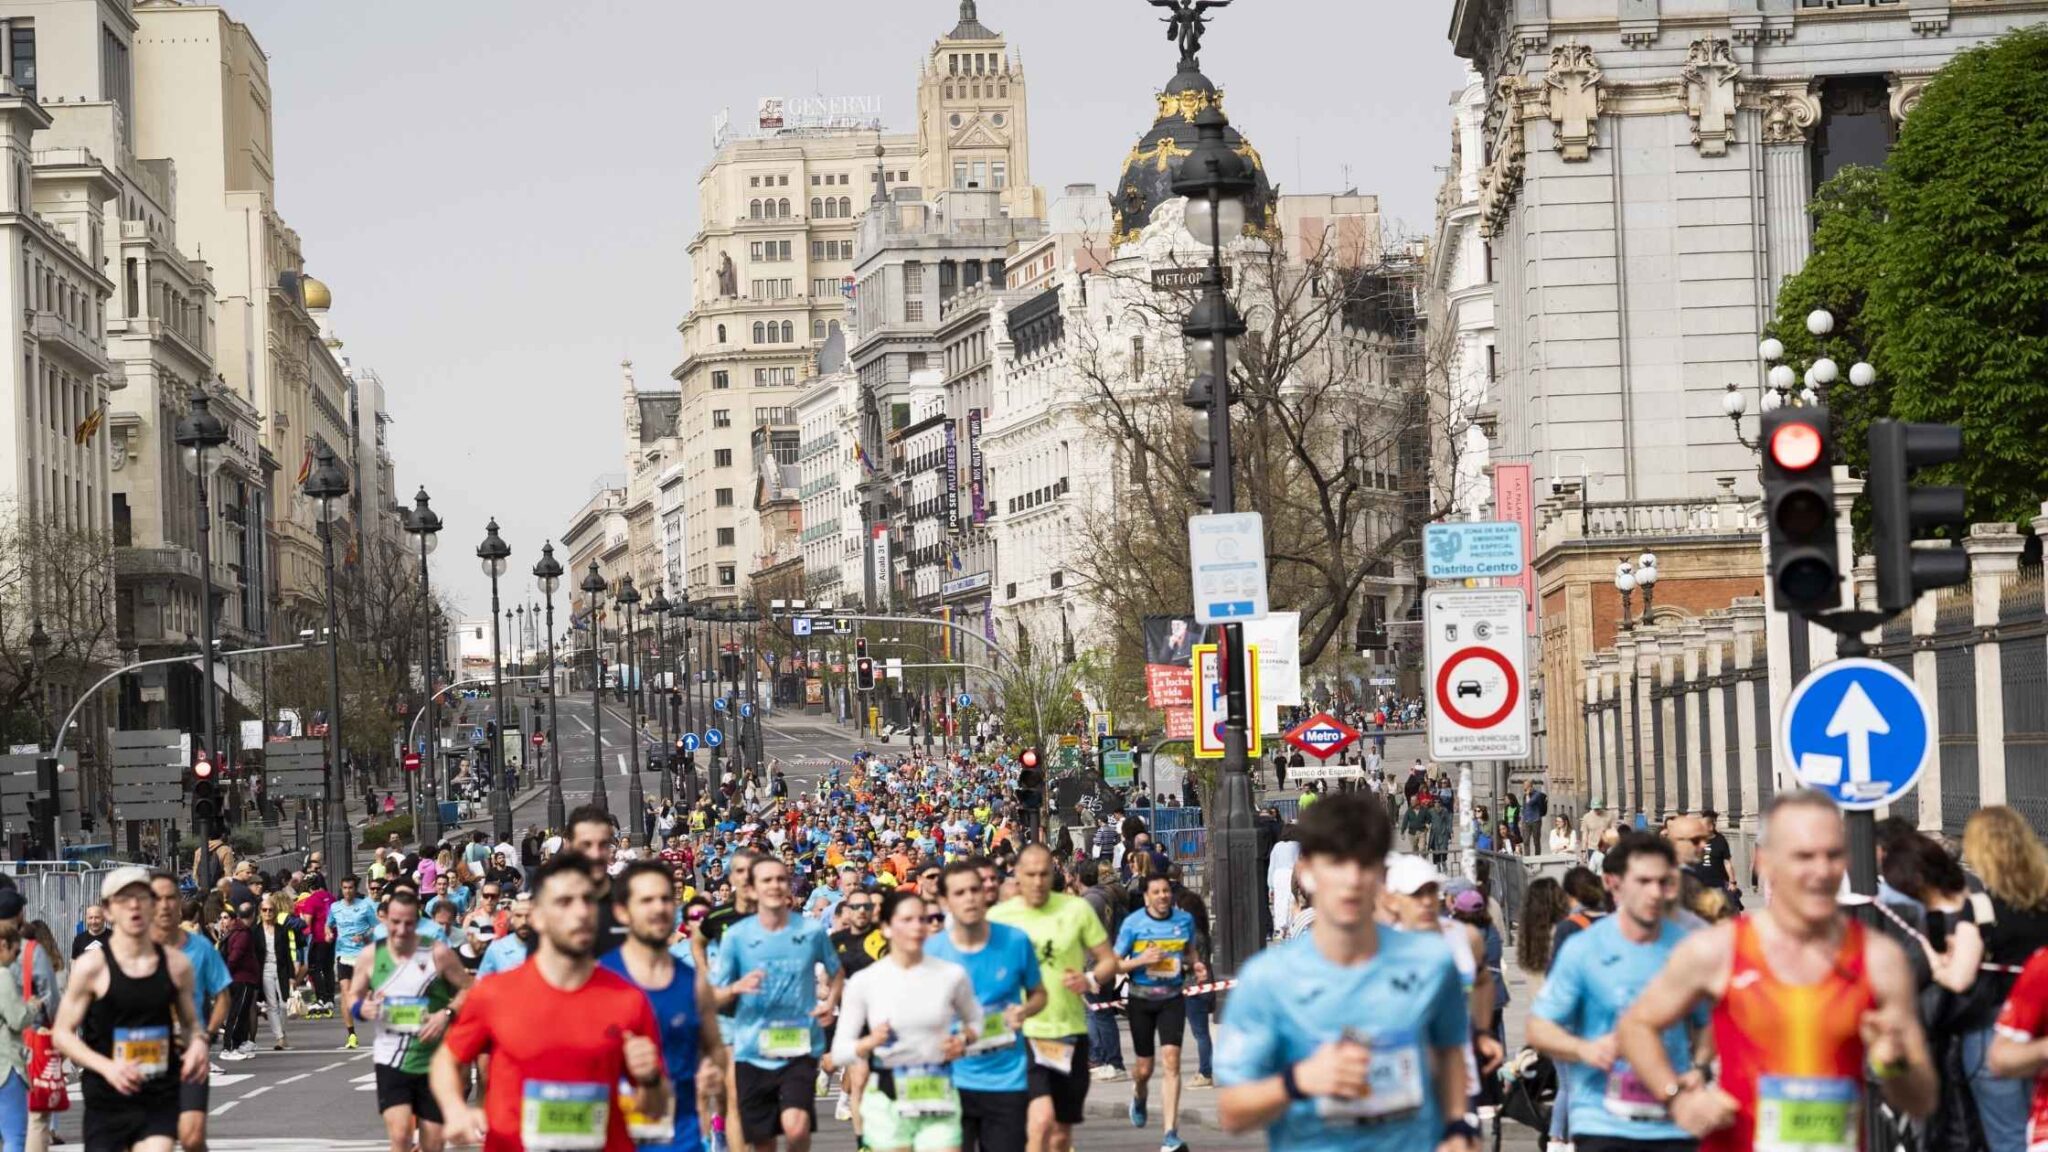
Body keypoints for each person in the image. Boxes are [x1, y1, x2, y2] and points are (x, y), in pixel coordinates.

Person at [1616, 790, 1937, 1150]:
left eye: (1833, 855)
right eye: (1803, 856)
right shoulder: (1719, 949)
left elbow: (1922, 1099)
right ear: (1766, 862)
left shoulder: (1880, 958)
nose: (1821, 871)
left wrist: (1895, 1066)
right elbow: (1635, 1026)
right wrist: (1677, 1096)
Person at [1214, 792, 1476, 1152]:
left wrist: (1458, 1127)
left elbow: (1449, 1053)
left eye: (1365, 863)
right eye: (1337, 862)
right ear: (1306, 872)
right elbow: (1232, 1111)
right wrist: (1300, 1080)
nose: (1352, 879)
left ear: (1382, 876)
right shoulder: (1268, 980)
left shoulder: (1430, 962)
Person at [431, 853, 669, 1150]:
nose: (580, 912)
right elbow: (445, 1060)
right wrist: (455, 1110)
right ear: (539, 917)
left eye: (588, 901)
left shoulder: (628, 1000)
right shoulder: (495, 994)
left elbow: (656, 1109)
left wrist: (650, 1080)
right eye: (565, 902)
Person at [1528, 833, 1705, 1152]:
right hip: (1601, 1120)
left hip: (1674, 1118)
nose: (1655, 893)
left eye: (1663, 882)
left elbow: (1710, 1023)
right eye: (1643, 881)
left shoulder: (1688, 948)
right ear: (1613, 883)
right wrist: (1584, 1049)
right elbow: (1539, 1027)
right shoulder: (1583, 949)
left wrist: (1702, 1070)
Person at [50, 868, 211, 1152]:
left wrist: (198, 1043)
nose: (134, 905)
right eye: (124, 899)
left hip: (157, 1091)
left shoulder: (176, 965)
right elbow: (62, 1033)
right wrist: (107, 1067)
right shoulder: (92, 967)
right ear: (109, 911)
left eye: (141, 897)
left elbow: (189, 1023)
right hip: (107, 1097)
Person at [987, 845, 1117, 1152]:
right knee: (1040, 1120)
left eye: (1044, 873)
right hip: (1021, 1034)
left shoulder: (1076, 909)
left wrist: (1089, 978)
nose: (1037, 881)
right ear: (1017, 875)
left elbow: (1108, 961)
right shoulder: (998, 917)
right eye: (1030, 874)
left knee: (1060, 1133)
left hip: (1068, 1031)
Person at [830, 888, 981, 1152]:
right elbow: (841, 1051)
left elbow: (976, 1022)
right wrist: (870, 1042)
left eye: (922, 919)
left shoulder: (951, 975)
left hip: (938, 1094)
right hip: (887, 1099)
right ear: (886, 928)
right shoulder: (865, 982)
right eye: (906, 920)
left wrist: (963, 1040)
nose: (917, 927)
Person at [711, 855, 843, 1152]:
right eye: (767, 880)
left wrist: (830, 1000)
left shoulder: (811, 931)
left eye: (781, 879)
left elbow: (836, 972)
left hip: (799, 1045)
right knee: (763, 1142)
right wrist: (735, 988)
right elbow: (715, 996)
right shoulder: (736, 936)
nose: (774, 886)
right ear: (753, 888)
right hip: (752, 1048)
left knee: (796, 1129)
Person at [602, 860, 728, 1152]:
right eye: (646, 900)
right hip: (616, 1137)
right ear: (622, 911)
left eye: (665, 899)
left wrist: (712, 1068)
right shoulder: (599, 981)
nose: (659, 908)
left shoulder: (693, 983)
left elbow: (716, 1049)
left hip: (680, 1139)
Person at [926, 860, 1046, 1152]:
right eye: (959, 892)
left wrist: (1025, 1011)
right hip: (951, 1080)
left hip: (1006, 1079)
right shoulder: (931, 952)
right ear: (945, 901)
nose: (969, 898)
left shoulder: (1015, 941)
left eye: (974, 890)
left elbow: (1039, 994)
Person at [1113, 873, 1196, 1152]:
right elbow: (1114, 965)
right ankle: (1138, 1094)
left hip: (1172, 998)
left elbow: (1190, 953)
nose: (1163, 896)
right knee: (1145, 1068)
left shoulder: (1184, 921)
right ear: (1147, 897)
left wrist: (1196, 966)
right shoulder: (1133, 924)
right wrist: (1141, 960)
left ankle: (1170, 1134)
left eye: (1166, 891)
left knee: (1171, 1062)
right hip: (1141, 1000)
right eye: (1157, 892)